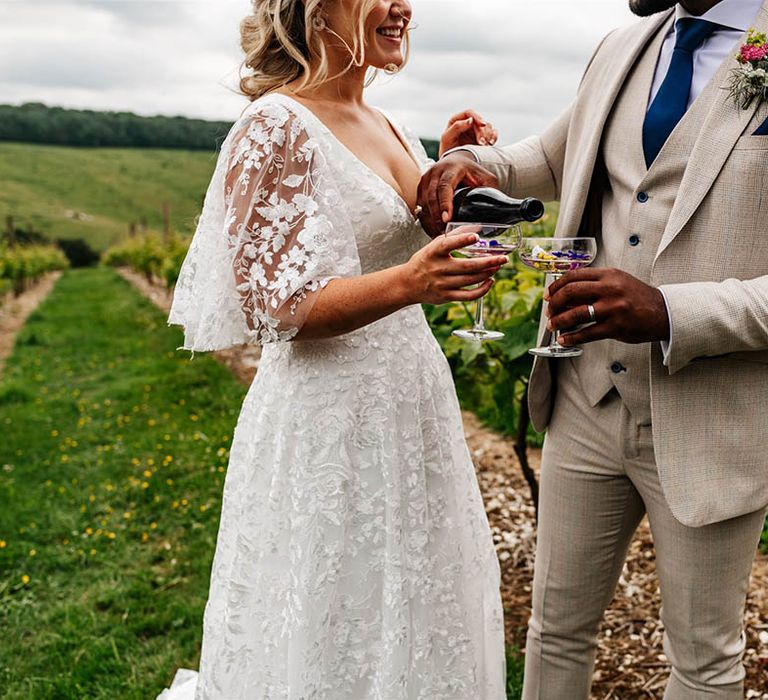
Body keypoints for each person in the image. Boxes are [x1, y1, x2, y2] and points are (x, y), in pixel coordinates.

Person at [157, 1, 508, 698]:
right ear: (318, 9)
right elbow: (270, 304)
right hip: (330, 420)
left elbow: (376, 226)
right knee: (332, 608)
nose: (405, 6)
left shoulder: (388, 123)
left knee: (416, 599)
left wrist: (444, 167)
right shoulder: (274, 125)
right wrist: (413, 282)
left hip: (411, 404)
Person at [419, 0, 768, 697]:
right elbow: (549, 156)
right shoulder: (623, 45)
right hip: (586, 394)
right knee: (555, 626)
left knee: (703, 660)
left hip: (713, 416)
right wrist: (471, 161)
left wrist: (670, 310)